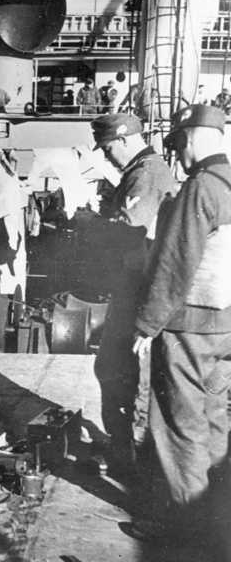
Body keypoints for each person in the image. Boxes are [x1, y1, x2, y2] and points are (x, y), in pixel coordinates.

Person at [133, 104, 231, 536]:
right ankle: (217, 514)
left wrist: (147, 324)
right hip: (226, 326)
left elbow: (175, 263)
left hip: (190, 326)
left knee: (180, 422)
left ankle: (187, 525)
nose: (178, 155)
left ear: (190, 138)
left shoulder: (200, 188)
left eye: (178, 145)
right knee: (215, 416)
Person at [90, 113, 176, 474]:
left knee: (118, 368)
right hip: (137, 286)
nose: (106, 156)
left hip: (136, 288)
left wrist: (95, 226)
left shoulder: (145, 173)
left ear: (124, 140)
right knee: (119, 368)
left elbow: (130, 230)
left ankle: (128, 453)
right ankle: (126, 446)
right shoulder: (145, 170)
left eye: (108, 148)